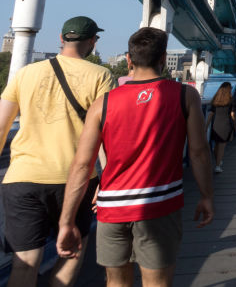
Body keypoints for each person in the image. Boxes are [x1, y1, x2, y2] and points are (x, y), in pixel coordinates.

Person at [56, 27, 215, 286]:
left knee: (116, 282)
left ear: (129, 60)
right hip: (159, 205)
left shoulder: (103, 103)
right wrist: (206, 195)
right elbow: (198, 152)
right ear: (163, 58)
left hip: (112, 208)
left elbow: (82, 165)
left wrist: (66, 221)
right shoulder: (185, 95)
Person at [0, 15, 115, 287]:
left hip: (23, 178)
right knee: (71, 251)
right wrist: (107, 178)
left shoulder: (26, 73)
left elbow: (2, 126)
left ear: (62, 39)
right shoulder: (101, 75)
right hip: (76, 179)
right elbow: (106, 134)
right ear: (93, 41)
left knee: (25, 261)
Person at [206, 81, 236, 173]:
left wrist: (206, 126)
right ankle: (218, 166)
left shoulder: (215, 99)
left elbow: (211, 114)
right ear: (228, 89)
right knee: (222, 146)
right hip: (226, 124)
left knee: (216, 146)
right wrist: (234, 124)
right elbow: (232, 114)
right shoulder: (231, 100)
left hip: (216, 124)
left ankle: (218, 161)